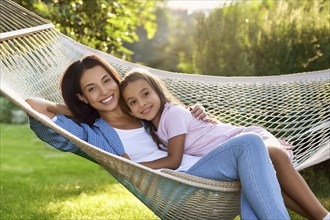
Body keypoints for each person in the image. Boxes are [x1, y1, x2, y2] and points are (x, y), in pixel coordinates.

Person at [25, 55, 328, 219]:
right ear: (82, 96)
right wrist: (75, 110)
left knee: (257, 167)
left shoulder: (140, 111)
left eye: (106, 81)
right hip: (181, 184)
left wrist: (196, 114)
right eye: (92, 89)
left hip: (206, 168)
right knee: (251, 145)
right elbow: (34, 108)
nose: (104, 91)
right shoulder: (93, 134)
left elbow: (180, 122)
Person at [119, 68, 330, 220]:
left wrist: (133, 167)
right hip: (238, 154)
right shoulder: (156, 129)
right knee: (263, 185)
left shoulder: (172, 114)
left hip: (246, 140)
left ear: (157, 91)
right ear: (129, 109)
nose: (142, 103)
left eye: (145, 94)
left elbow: (173, 160)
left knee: (274, 153)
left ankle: (323, 215)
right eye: (133, 102)